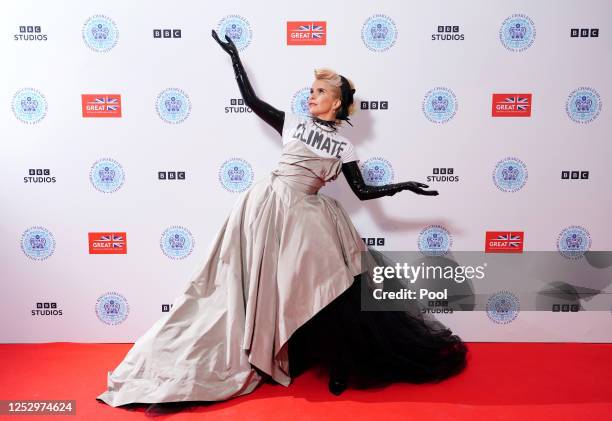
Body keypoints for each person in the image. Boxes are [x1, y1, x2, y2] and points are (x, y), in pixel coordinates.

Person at [95, 30, 468, 413]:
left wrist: (402, 186)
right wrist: (235, 57)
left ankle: (341, 362)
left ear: (336, 102)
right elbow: (251, 100)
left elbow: (363, 192)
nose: (311, 96)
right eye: (311, 90)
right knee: (266, 283)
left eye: (320, 92)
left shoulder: (345, 146)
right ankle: (269, 347)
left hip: (308, 215)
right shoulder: (292, 122)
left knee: (331, 286)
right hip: (266, 208)